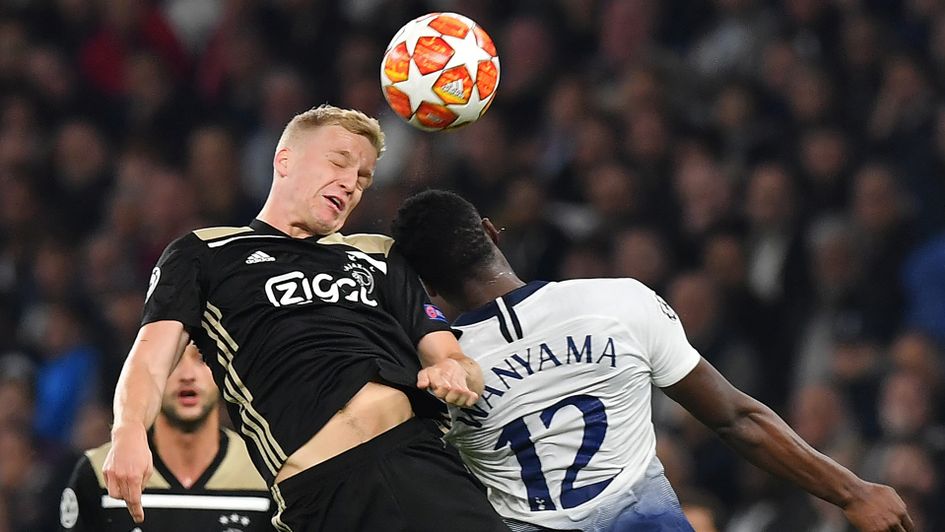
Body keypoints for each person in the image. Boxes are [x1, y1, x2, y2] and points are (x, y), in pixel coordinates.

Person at [390, 189, 915, 532]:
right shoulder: (620, 301)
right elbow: (736, 418)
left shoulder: (434, 376)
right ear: (491, 231)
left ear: (426, 286)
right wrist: (853, 491)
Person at [102, 106, 509, 532]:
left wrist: (454, 372)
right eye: (338, 162)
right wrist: (129, 430)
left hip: (422, 465)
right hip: (323, 495)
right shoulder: (205, 253)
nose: (351, 184)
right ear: (284, 160)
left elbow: (456, 361)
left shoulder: (377, 254)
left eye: (364, 178)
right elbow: (150, 357)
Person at [61, 344, 274, 531]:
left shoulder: (265, 470)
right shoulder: (101, 471)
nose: (187, 375)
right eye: (172, 360)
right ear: (145, 371)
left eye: (202, 358)